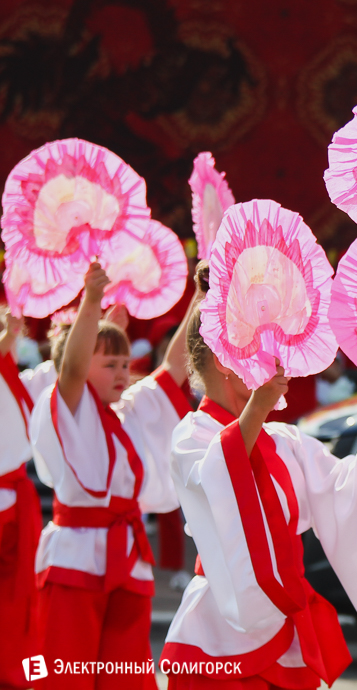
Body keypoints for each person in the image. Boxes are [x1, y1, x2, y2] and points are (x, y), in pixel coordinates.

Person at [160, 263, 357, 689]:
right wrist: (257, 406)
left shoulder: (286, 440)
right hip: (220, 622)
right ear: (225, 361)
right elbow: (216, 479)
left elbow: (347, 488)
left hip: (284, 621)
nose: (276, 357)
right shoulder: (193, 435)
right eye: (259, 344)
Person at [29, 262, 195, 690]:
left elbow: (173, 369)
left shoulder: (132, 411)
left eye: (125, 363)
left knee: (125, 676)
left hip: (129, 556)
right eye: (110, 364)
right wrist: (91, 301)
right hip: (74, 559)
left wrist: (201, 297)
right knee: (65, 673)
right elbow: (72, 369)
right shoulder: (69, 406)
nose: (123, 372)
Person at [0, 308, 56, 690]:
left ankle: (22, 674)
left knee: (24, 599)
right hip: (12, 499)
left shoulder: (20, 380)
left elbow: (64, 371)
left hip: (17, 499)